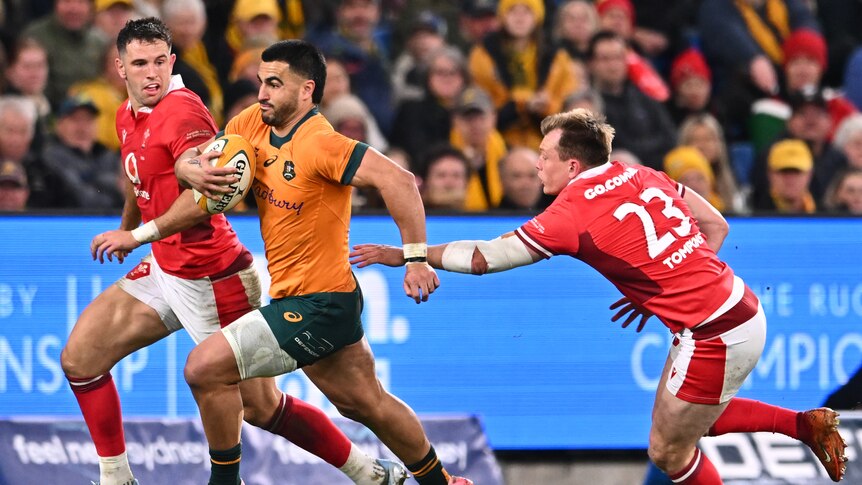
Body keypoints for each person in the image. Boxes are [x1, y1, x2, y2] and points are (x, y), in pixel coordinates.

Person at [350, 108, 848, 484]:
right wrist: (666, 284)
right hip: (733, 307)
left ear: (571, 164)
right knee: (682, 423)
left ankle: (803, 426)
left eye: (544, 156)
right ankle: (805, 425)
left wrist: (408, 254)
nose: (537, 165)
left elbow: (483, 259)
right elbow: (714, 225)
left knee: (668, 451)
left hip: (714, 332)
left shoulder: (569, 212)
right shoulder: (641, 173)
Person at [90, 38, 472, 485]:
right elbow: (202, 159)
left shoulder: (322, 143)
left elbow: (401, 181)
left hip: (321, 304)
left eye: (274, 84)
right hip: (304, 296)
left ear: (307, 90)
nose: (262, 93)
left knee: (203, 368)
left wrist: (415, 259)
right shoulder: (252, 122)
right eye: (260, 82)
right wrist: (187, 169)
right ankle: (440, 481)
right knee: (365, 403)